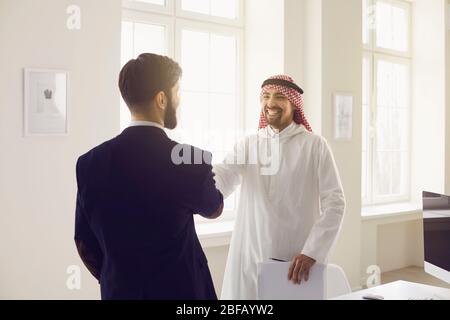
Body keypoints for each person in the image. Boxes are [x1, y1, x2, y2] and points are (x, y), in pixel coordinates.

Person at [74, 53, 224, 300]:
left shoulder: (89, 163)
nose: (179, 99)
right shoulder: (191, 159)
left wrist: (116, 277)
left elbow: (84, 242)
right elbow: (214, 208)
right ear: (162, 99)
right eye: (177, 92)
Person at [213, 75, 346, 300]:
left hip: (295, 260)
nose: (270, 103)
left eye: (279, 97)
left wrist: (311, 252)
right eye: (266, 96)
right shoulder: (249, 144)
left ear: (294, 104)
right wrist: (191, 184)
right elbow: (223, 177)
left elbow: (335, 203)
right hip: (250, 256)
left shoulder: (315, 146)